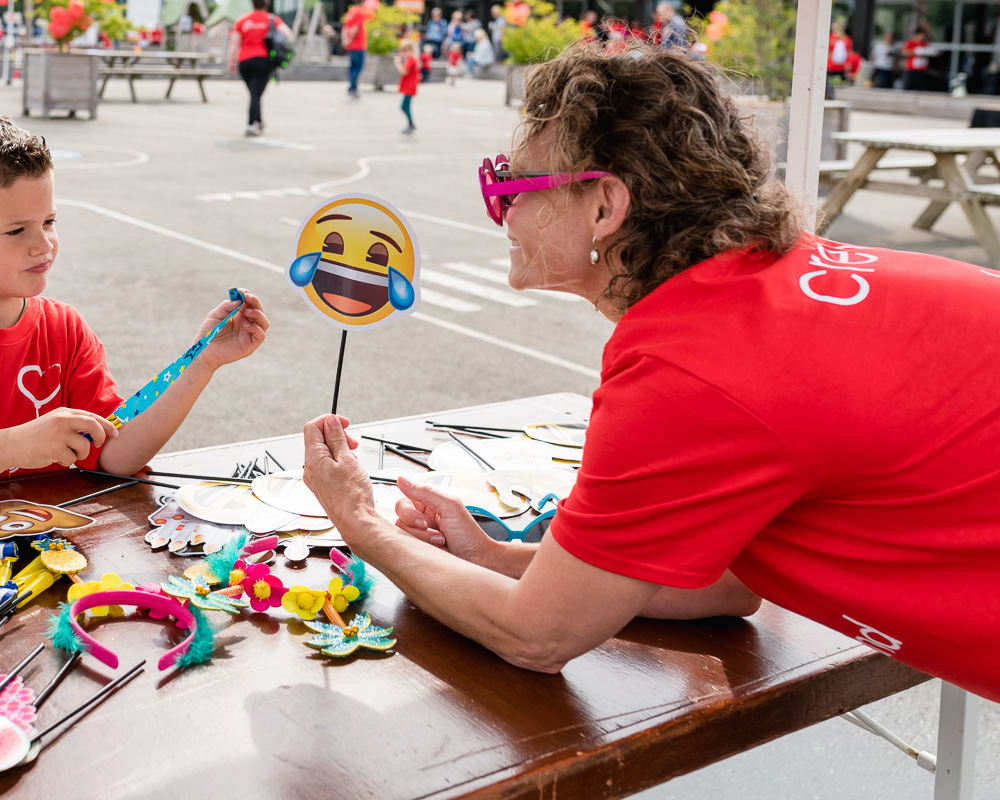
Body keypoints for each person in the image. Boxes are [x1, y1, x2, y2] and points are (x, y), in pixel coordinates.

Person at [300, 46, 1000, 704]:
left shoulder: (689, 366)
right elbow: (729, 584)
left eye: (514, 183)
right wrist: (502, 558)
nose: (504, 207)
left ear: (605, 207)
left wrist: (359, 522)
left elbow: (537, 635)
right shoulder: (753, 291)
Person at [0, 114, 269, 516]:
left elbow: (115, 453)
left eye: (49, 221)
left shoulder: (64, 328)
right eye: (16, 230)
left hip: (49, 555)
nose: (43, 244)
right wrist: (14, 445)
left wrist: (203, 360)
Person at [227, 0, 293, 137]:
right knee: (256, 94)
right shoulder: (271, 19)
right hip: (262, 60)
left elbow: (234, 43)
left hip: (244, 61)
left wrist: (230, 62)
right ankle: (251, 125)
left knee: (254, 93)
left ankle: (259, 120)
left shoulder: (242, 20)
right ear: (266, 4)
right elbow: (288, 35)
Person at [342, 0, 368, 98]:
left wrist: (345, 40)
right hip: (358, 45)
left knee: (353, 67)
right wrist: (349, 40)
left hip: (352, 45)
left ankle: (353, 87)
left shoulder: (351, 12)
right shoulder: (358, 12)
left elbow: (345, 28)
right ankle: (352, 88)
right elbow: (355, 28)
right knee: (358, 67)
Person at [394, 39, 418, 134]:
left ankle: (411, 123)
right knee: (405, 106)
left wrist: (397, 63)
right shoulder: (411, 59)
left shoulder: (411, 60)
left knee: (404, 106)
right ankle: (410, 124)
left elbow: (404, 71)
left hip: (410, 87)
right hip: (409, 86)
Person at [902, 27, 934, 91]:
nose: (922, 37)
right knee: (908, 86)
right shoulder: (910, 43)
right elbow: (904, 52)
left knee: (920, 87)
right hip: (912, 69)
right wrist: (916, 52)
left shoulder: (925, 43)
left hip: (922, 69)